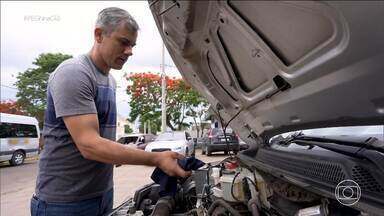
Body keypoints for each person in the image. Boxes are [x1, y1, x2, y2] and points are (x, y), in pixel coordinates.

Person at [31, 7, 190, 216]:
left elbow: (101, 141)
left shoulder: (109, 81)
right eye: (123, 42)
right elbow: (90, 145)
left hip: (102, 195)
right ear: (99, 35)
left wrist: (123, 153)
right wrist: (155, 158)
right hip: (63, 203)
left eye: (132, 45)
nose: (130, 51)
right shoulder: (74, 73)